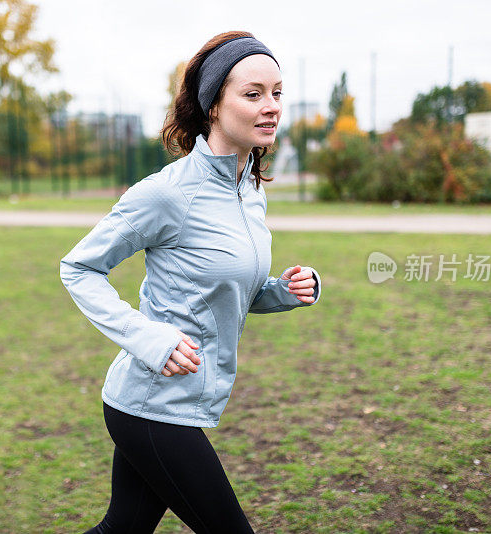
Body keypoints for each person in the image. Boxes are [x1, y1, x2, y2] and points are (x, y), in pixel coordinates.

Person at [60, 30, 322, 534]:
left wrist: (281, 292)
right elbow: (79, 268)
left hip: (178, 401)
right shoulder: (168, 193)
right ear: (213, 108)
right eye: (253, 94)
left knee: (122, 530)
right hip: (152, 405)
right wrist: (150, 339)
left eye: (277, 93)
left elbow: (224, 292)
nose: (271, 107)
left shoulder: (249, 192)